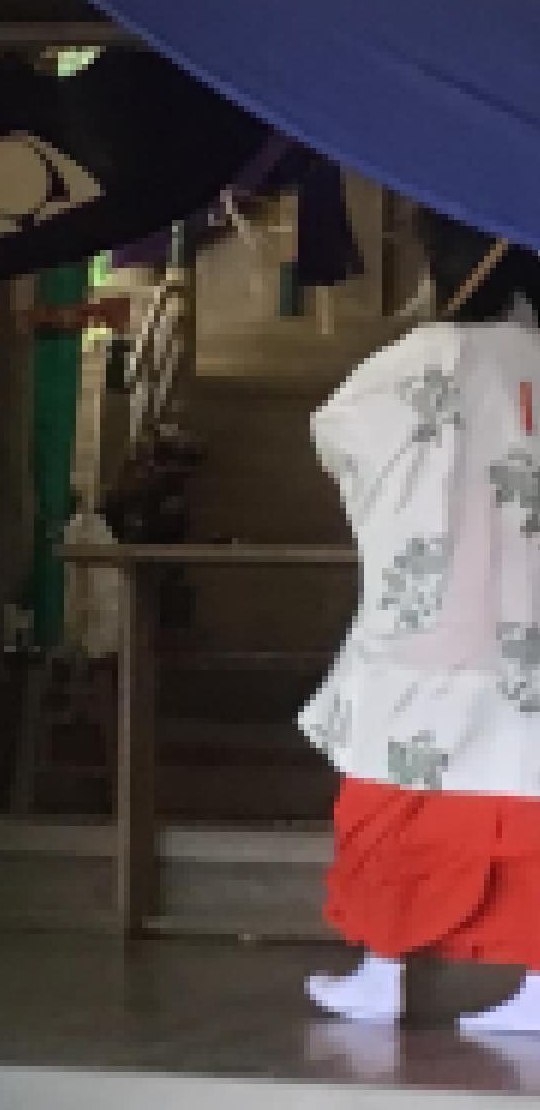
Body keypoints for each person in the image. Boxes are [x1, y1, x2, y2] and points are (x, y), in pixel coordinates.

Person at [302, 208, 540, 1031]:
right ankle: (539, 987)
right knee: (529, 784)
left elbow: (342, 432)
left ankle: (382, 970)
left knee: (395, 785)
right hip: (532, 623)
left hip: (437, 617)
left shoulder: (431, 354)